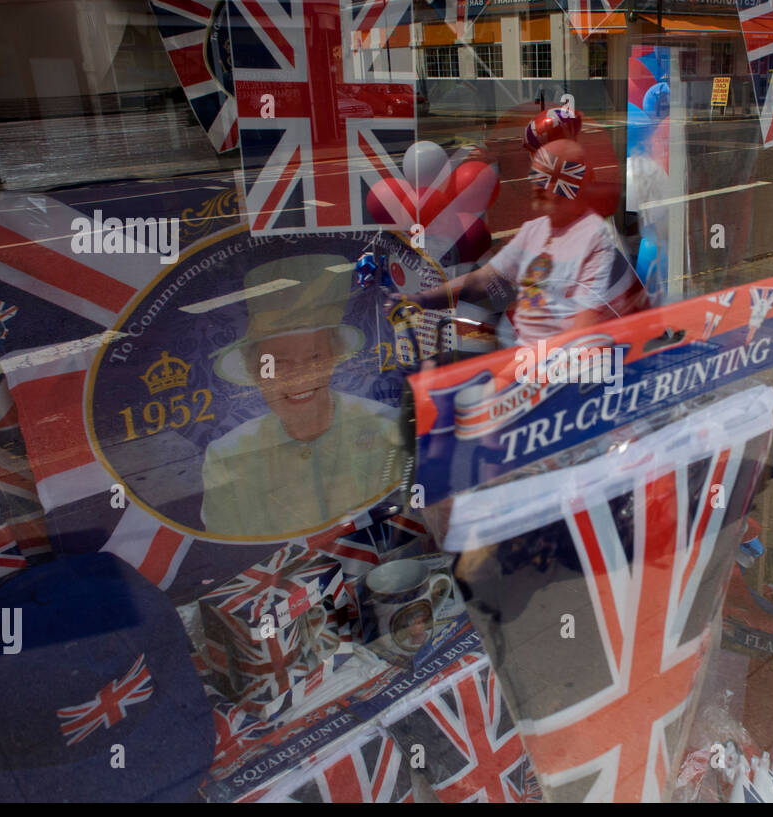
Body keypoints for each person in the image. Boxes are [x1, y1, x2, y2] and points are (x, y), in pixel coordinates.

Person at [200, 254, 401, 538]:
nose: (299, 377)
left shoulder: (389, 428)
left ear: (334, 358)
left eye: (314, 357)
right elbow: (229, 554)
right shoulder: (227, 457)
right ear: (255, 373)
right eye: (277, 363)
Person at [408, 139, 648, 348]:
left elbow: (582, 333)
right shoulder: (535, 230)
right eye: (535, 176)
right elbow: (483, 279)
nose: (534, 186)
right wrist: (423, 299)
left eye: (545, 178)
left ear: (569, 187)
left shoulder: (593, 243)